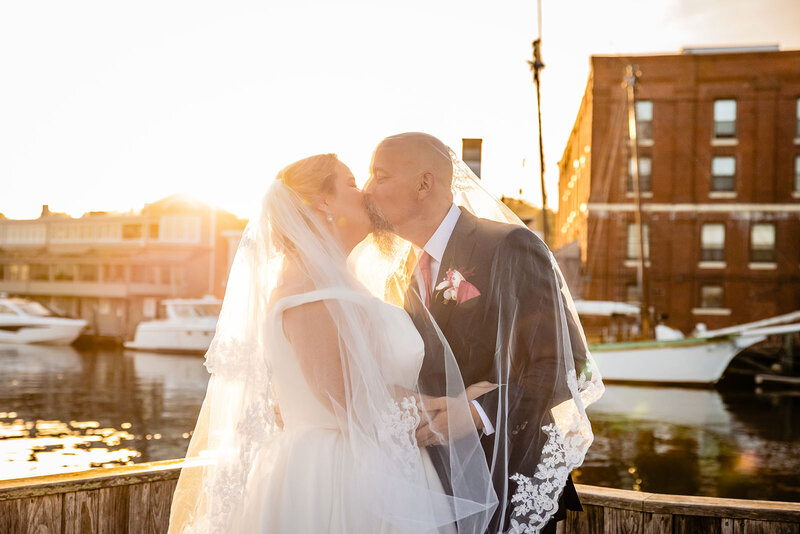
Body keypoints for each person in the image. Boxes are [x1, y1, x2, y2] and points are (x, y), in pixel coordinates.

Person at [168, 154, 496, 534]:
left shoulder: (340, 281)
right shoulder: (308, 286)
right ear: (324, 203)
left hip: (379, 469)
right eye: (353, 184)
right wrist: (452, 407)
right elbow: (348, 397)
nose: (367, 193)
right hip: (337, 481)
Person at [364, 132, 604, 534]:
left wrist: (476, 413)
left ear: (425, 183)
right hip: (431, 491)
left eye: (380, 176)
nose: (367, 191)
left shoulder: (510, 246)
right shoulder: (399, 273)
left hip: (507, 486)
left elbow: (568, 367)